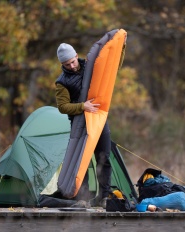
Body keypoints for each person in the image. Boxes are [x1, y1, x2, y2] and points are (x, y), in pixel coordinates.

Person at [55, 41, 126, 208]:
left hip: (99, 120)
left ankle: (104, 197)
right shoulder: (62, 82)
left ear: (75, 56)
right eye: (67, 64)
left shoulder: (90, 66)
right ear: (62, 64)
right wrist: (82, 106)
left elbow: (113, 67)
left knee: (104, 158)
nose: (71, 66)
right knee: (82, 162)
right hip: (79, 125)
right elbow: (62, 107)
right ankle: (82, 198)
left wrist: (121, 47)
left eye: (72, 61)